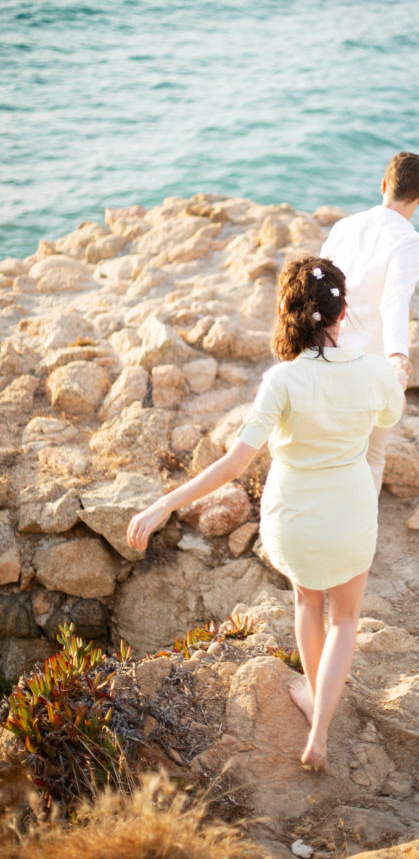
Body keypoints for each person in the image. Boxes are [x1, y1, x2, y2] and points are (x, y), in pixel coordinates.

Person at [127, 256, 404, 772]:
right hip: (349, 513)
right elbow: (389, 415)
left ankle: (313, 695)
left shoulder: (282, 380)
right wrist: (397, 375)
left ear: (292, 314)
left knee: (306, 602)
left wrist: (164, 503)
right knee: (345, 618)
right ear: (342, 314)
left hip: (295, 519)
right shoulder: (374, 371)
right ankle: (320, 731)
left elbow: (234, 463)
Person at [320, 151, 419, 493]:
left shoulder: (345, 225)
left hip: (328, 352)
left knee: (327, 448)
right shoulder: (410, 241)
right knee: (372, 456)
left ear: (383, 184)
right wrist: (398, 354)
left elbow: (320, 283)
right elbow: (395, 298)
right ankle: (360, 538)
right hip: (373, 363)